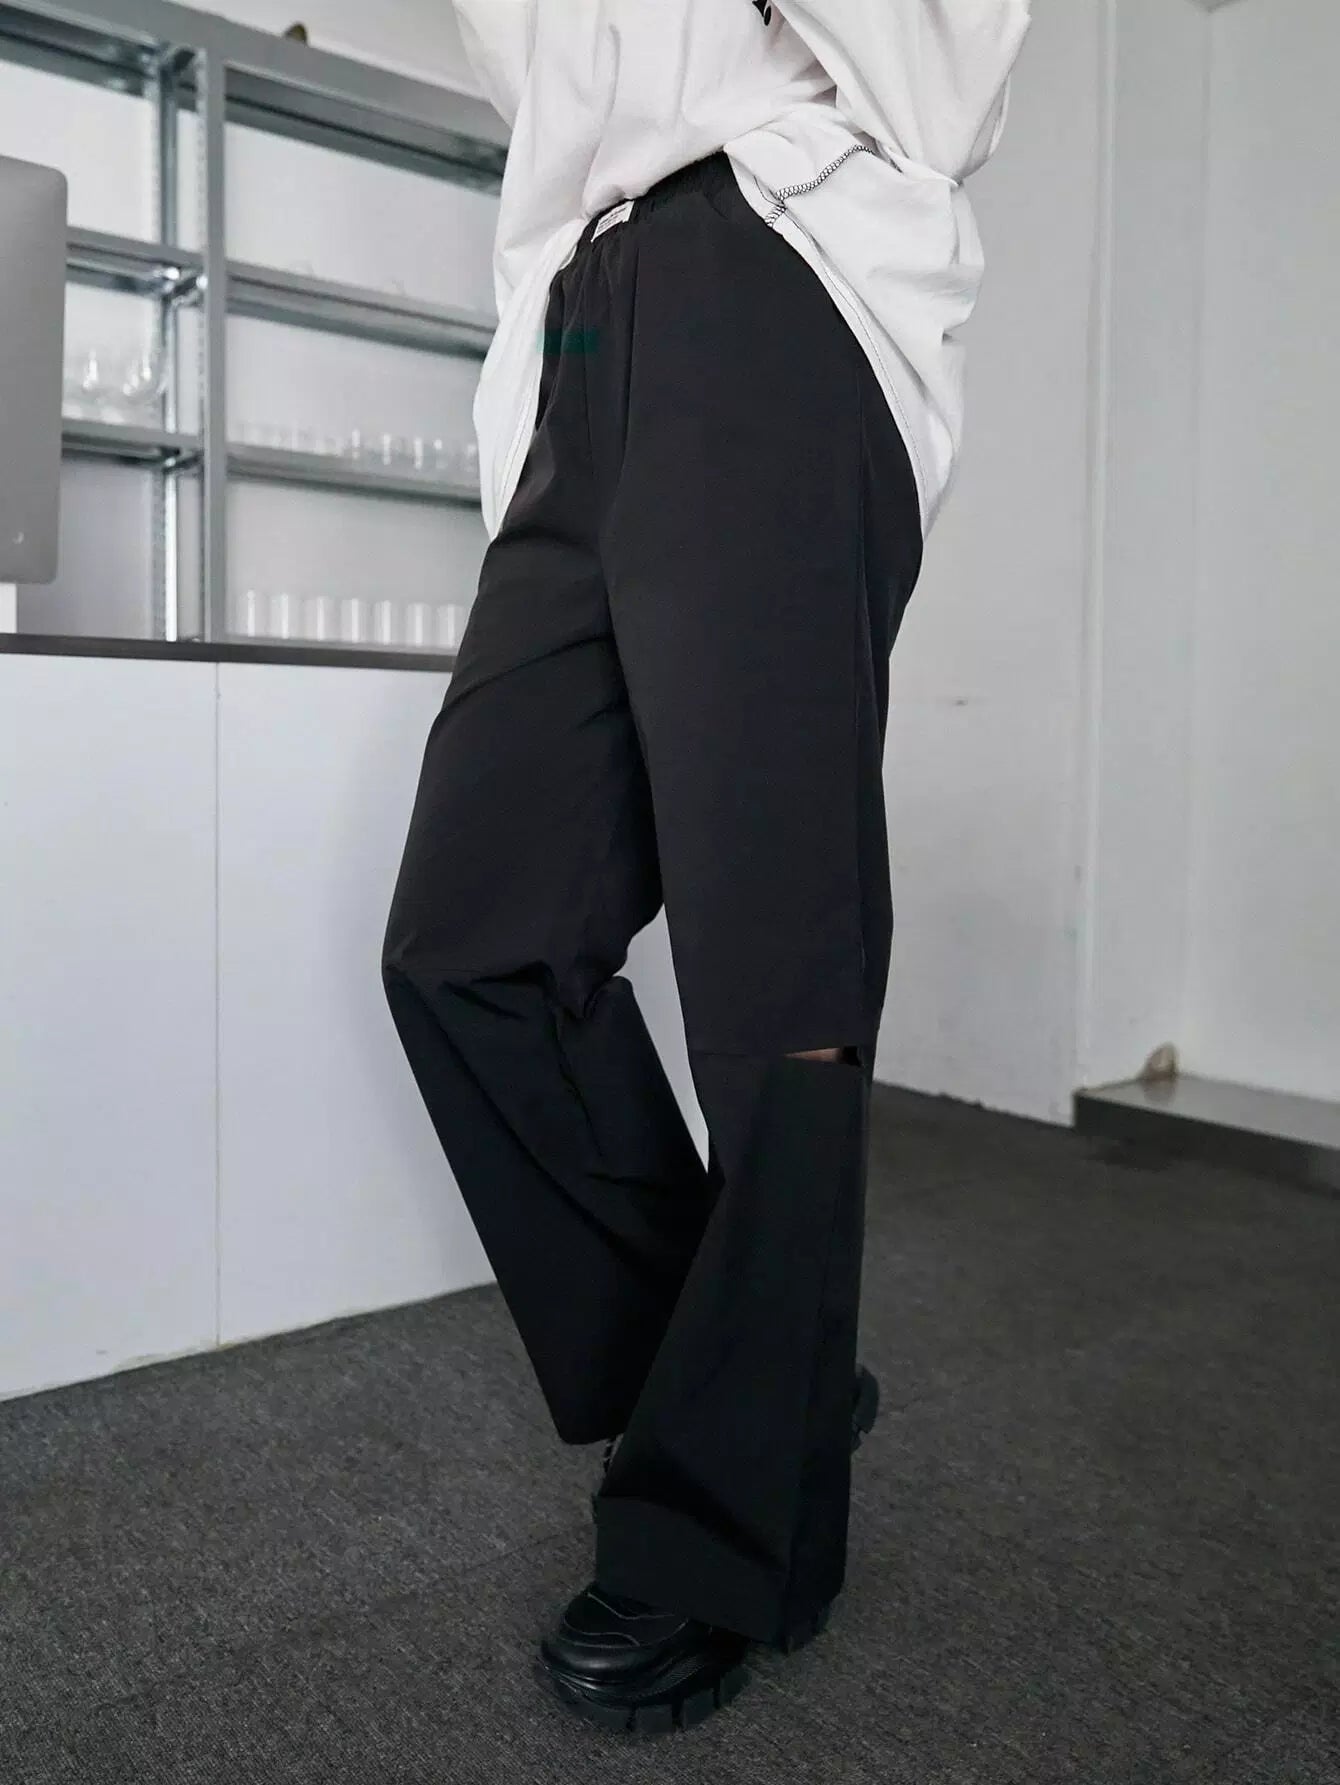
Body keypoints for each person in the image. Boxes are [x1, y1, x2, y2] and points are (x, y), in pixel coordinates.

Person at [382, 0, 1031, 1737]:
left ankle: (729, 1528)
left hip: (775, 265)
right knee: (468, 943)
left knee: (769, 955)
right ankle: (754, 1382)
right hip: (579, 316)